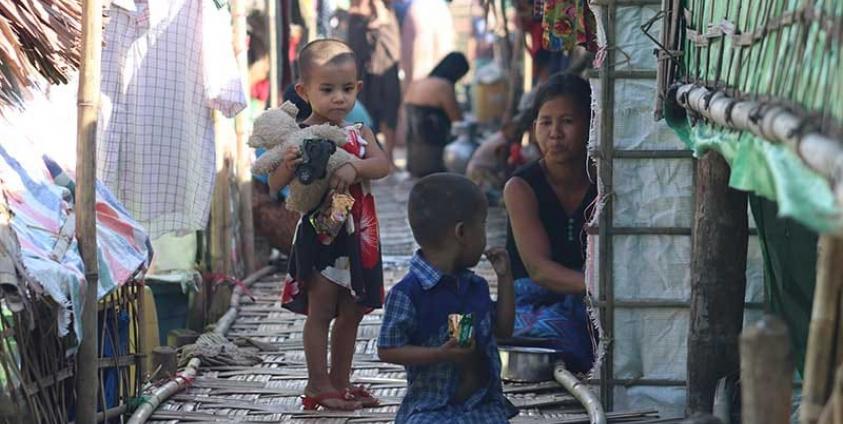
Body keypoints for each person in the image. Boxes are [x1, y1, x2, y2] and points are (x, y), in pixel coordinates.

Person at [269, 39, 391, 410]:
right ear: (304, 90)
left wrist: (354, 166)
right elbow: (274, 185)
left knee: (353, 310)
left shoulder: (359, 133)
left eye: (346, 88)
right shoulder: (298, 135)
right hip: (322, 236)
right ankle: (317, 382)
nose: (338, 98)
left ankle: (340, 381)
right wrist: (289, 164)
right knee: (321, 310)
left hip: (359, 235)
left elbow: (384, 166)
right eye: (327, 89)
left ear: (358, 88)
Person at [378, 173, 518, 423]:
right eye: (483, 225)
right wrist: (440, 354)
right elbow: (388, 349)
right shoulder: (409, 293)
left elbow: (504, 330)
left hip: (482, 405)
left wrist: (505, 279)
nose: (486, 235)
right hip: (431, 407)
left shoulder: (474, 287)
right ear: (462, 233)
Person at [503, 73, 597, 374]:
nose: (555, 133)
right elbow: (539, 270)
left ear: (591, 124)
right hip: (533, 298)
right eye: (546, 122)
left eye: (567, 121)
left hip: (588, 298)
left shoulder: (605, 183)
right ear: (534, 129)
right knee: (543, 331)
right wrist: (603, 289)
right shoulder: (520, 187)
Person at [347, 0, 402, 167]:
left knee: (389, 112)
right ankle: (368, 156)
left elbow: (384, 21)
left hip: (385, 67)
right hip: (365, 69)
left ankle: (389, 158)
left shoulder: (387, 14)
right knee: (365, 115)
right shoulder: (357, 16)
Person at [398, 52, 469, 177]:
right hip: (434, 159)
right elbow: (457, 121)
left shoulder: (418, 83)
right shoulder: (443, 85)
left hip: (413, 160)